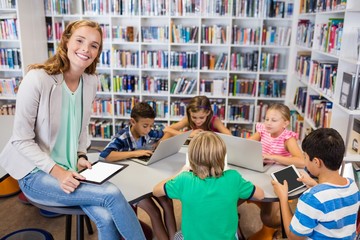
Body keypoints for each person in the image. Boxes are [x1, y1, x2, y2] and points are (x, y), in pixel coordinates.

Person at [0, 20, 145, 240]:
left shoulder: (90, 81)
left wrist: (80, 155)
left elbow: (81, 126)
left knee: (106, 218)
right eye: (80, 40)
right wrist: (58, 173)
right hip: (35, 174)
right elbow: (21, 140)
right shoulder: (38, 79)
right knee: (112, 193)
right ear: (66, 41)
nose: (86, 49)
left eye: (94, 45)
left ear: (98, 53)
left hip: (70, 167)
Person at [153, 131, 265, 240]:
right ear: (222, 157)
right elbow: (260, 195)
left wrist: (179, 173)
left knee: (178, 235)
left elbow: (156, 191)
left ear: (191, 158)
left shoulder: (184, 179)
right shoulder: (233, 177)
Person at [100, 102, 177, 240]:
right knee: (154, 212)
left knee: (167, 203)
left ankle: (173, 238)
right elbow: (106, 155)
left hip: (145, 178)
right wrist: (135, 153)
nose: (148, 130)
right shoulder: (122, 137)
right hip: (130, 185)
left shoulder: (148, 132)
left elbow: (167, 133)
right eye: (145, 126)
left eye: (151, 126)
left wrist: (160, 143)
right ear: (133, 121)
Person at [272, 128, 360, 239]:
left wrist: (283, 198)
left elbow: (293, 237)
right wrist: (316, 185)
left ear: (316, 162)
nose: (304, 161)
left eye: (305, 157)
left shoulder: (311, 198)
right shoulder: (352, 186)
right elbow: (333, 202)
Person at [248, 103, 304, 239]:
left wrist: (272, 157)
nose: (268, 123)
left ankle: (278, 226)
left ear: (285, 123)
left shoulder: (287, 138)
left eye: (273, 120)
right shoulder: (262, 130)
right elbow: (248, 145)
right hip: (262, 170)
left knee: (269, 218)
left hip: (277, 176)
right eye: (266, 119)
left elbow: (301, 161)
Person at [165, 95, 231, 138]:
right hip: (194, 149)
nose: (198, 121)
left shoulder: (215, 121)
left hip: (211, 150)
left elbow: (229, 136)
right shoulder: (188, 119)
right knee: (168, 134)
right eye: (194, 117)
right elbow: (167, 129)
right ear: (189, 113)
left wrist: (207, 135)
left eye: (202, 117)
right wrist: (188, 135)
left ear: (208, 112)